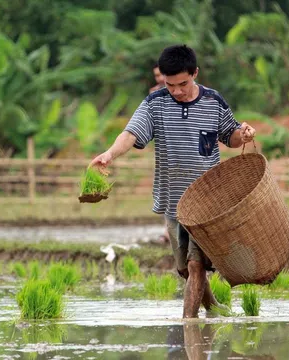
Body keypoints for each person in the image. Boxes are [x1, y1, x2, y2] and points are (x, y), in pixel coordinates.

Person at [89, 44, 256, 318]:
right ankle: (213, 308)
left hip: (206, 201)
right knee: (184, 268)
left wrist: (244, 134)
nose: (176, 90)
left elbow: (231, 135)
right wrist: (109, 154)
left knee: (195, 265)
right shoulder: (155, 104)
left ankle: (188, 323)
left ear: (195, 73)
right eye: (170, 84)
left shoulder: (214, 102)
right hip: (173, 200)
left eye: (183, 83)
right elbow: (131, 133)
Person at [149, 61, 170, 244]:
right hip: (164, 150)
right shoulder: (154, 94)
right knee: (166, 192)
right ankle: (167, 232)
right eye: (156, 76)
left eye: (161, 74)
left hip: (183, 150)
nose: (159, 79)